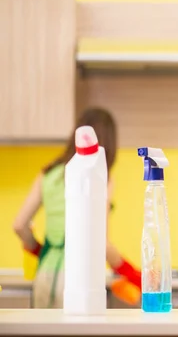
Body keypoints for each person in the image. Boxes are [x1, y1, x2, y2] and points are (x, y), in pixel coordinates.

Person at [13, 107, 142, 308]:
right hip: (80, 278)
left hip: (45, 275)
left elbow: (19, 225)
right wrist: (133, 275)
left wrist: (43, 251)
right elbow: (101, 242)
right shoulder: (101, 176)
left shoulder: (48, 173)